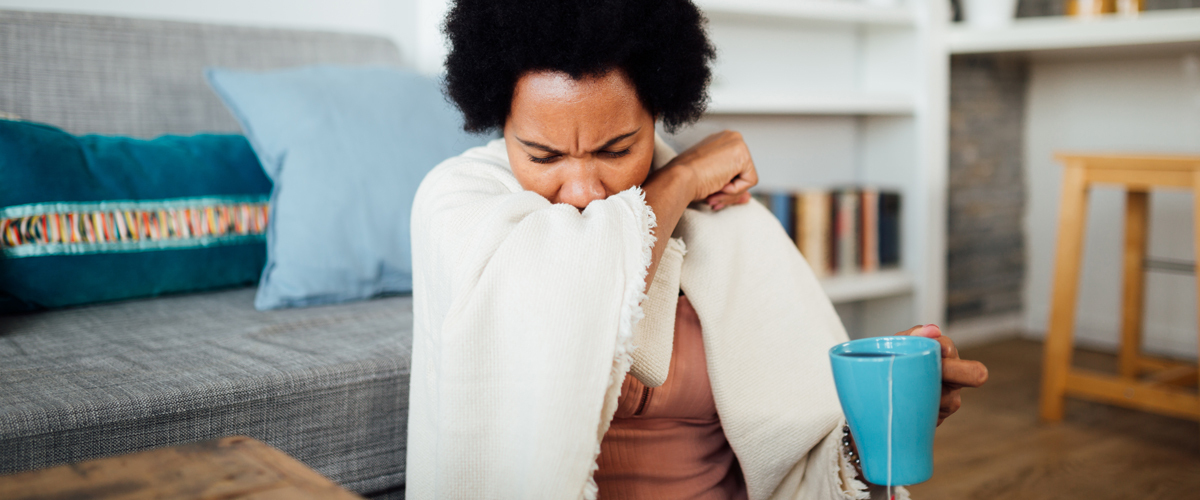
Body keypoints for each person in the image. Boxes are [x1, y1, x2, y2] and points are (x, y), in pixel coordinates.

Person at [406, 1, 989, 499]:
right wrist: (682, 176)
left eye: (615, 151)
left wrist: (872, 429)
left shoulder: (724, 223)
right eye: (543, 156)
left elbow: (804, 464)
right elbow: (560, 306)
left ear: (658, 111)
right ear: (499, 123)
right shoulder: (454, 202)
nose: (582, 191)